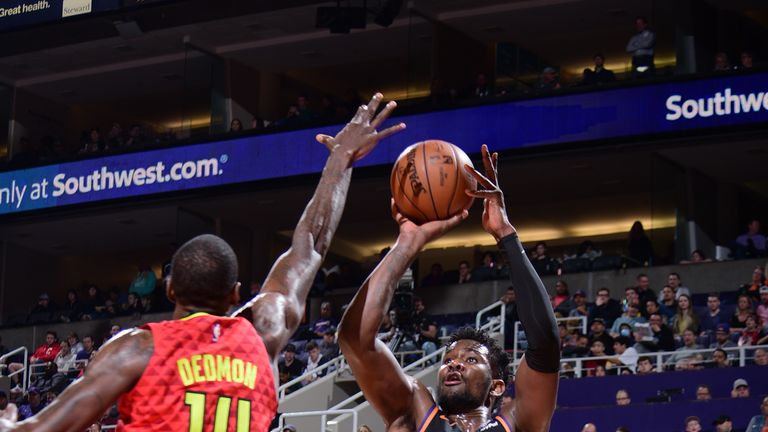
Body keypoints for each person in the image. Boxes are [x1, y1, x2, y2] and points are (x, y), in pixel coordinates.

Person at [0, 93, 406, 431]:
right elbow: (311, 245)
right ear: (234, 294)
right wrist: (340, 160)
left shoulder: (137, 349)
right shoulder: (262, 332)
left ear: (170, 288)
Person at [338, 145, 559, 431]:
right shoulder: (414, 413)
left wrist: (505, 235)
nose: (454, 364)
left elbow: (545, 344)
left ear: (497, 387)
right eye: (448, 359)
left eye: (470, 359)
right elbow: (354, 338)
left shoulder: (518, 424)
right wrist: (406, 246)